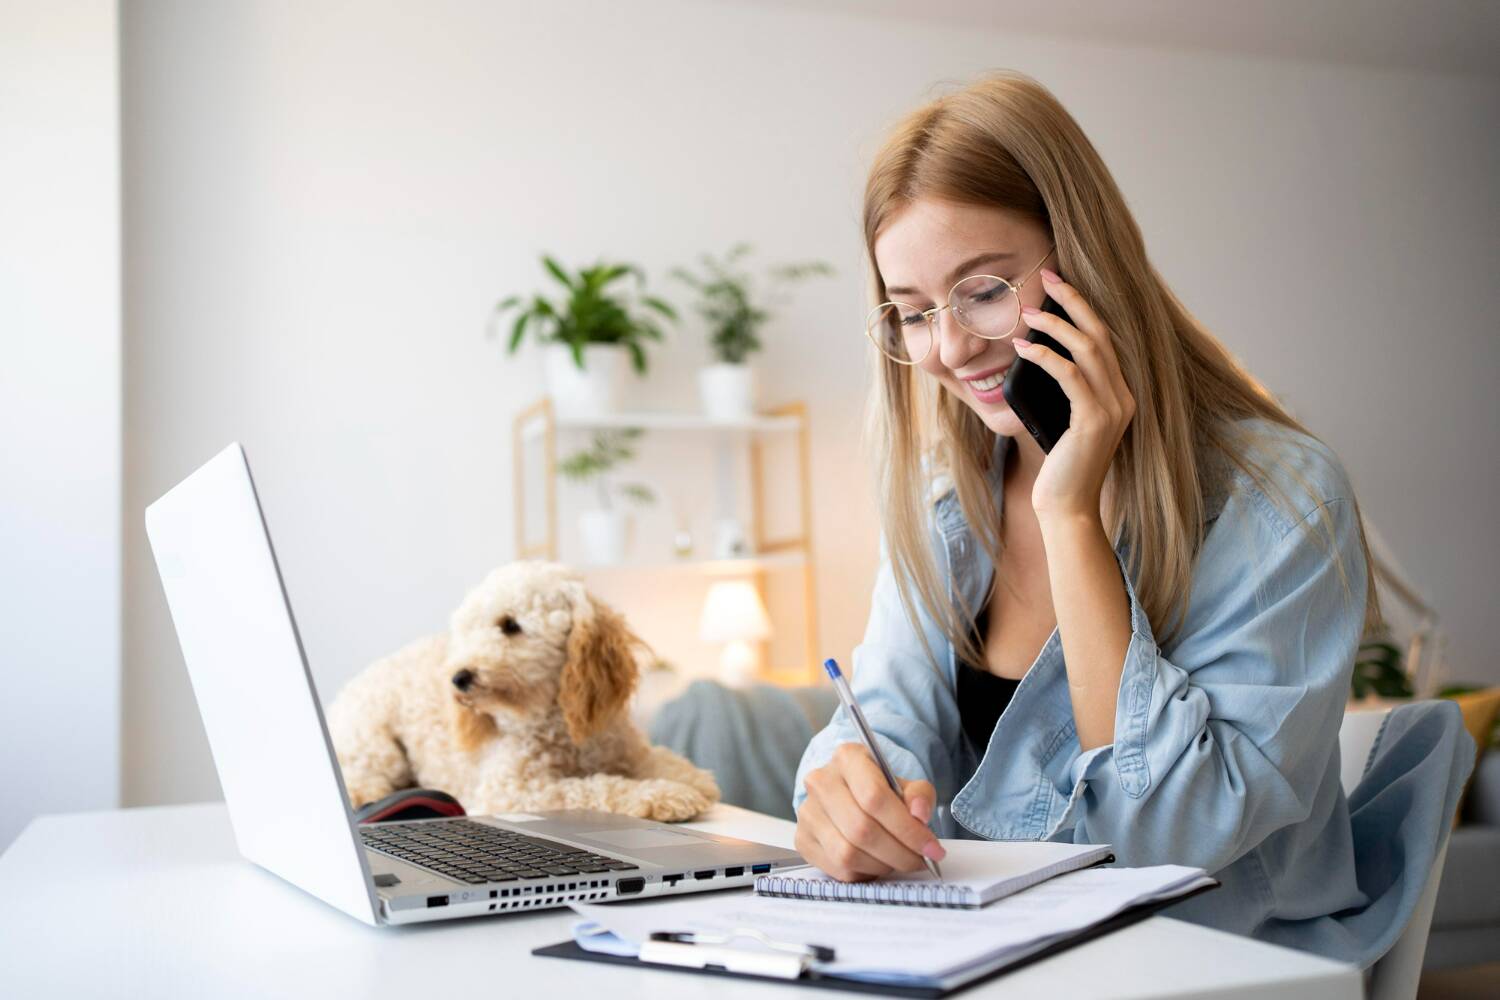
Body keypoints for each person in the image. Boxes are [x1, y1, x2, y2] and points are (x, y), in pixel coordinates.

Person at [793, 70, 1388, 955]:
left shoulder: (1281, 500)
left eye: (984, 289)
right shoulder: (945, 502)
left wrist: (1069, 514)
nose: (951, 349)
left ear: (1084, 258)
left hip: (1215, 965)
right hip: (1006, 961)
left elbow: (1175, 836)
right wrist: (835, 797)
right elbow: (881, 727)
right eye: (915, 314)